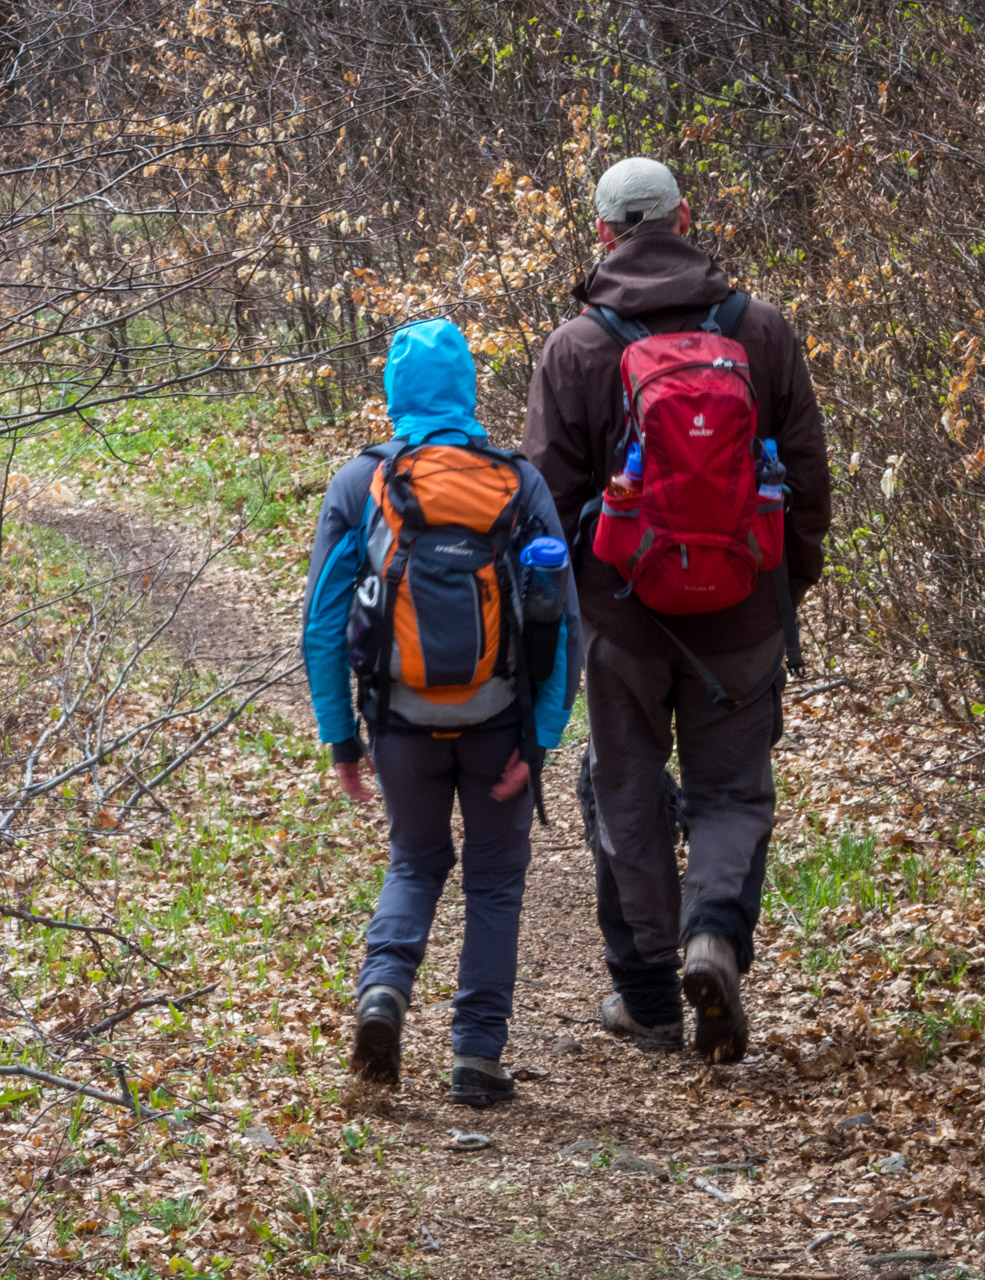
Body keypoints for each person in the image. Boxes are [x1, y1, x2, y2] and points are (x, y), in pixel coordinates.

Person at [521, 157, 832, 1062]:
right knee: (732, 791)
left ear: (605, 232)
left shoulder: (576, 348)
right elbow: (807, 477)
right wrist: (782, 590)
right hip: (741, 609)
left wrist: (564, 618)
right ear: (685, 217)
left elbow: (545, 501)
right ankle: (714, 942)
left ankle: (652, 998)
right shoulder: (760, 331)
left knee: (622, 789)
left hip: (622, 615)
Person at [302, 318, 580, 1107]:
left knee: (415, 862)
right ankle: (477, 1058)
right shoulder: (517, 481)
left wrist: (340, 738)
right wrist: (544, 735)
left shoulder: (362, 483)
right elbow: (564, 620)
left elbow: (323, 623)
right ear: (467, 386)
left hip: (400, 722)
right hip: (497, 722)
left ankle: (383, 994)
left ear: (394, 393)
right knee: (494, 881)